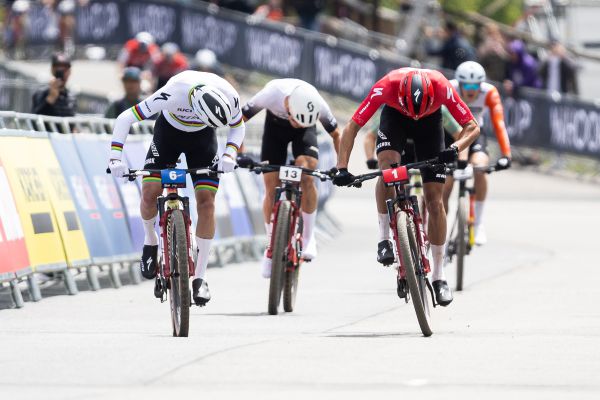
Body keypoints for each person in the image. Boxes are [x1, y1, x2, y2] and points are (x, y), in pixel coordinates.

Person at [332, 68, 481, 306]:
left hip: (430, 125)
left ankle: (439, 276)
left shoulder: (442, 86)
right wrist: (342, 167)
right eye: (412, 110)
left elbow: (472, 127)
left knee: (435, 201)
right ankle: (384, 239)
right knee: (387, 170)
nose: (415, 116)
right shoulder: (386, 85)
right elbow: (352, 126)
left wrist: (455, 149)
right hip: (395, 120)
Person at [107, 70, 245, 307]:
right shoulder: (173, 92)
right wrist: (115, 158)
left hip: (203, 140)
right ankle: (151, 239)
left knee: (207, 203)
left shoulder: (229, 96)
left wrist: (230, 154)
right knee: (150, 193)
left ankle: (201, 277)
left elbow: (238, 127)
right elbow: (125, 118)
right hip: (168, 136)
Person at [241, 79, 340, 278]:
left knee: (307, 175)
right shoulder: (271, 93)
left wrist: (341, 167)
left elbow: (337, 135)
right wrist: (239, 153)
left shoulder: (318, 103)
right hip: (274, 131)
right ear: (287, 106)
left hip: (304, 135)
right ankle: (271, 245)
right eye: (295, 119)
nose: (296, 124)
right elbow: (239, 119)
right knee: (271, 186)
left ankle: (309, 237)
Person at [445, 61, 512, 245]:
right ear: (459, 83)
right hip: (450, 135)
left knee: (481, 168)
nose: (471, 90)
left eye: (475, 86)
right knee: (445, 183)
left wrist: (506, 155)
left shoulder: (489, 92)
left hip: (475, 135)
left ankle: (478, 222)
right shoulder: (449, 88)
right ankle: (438, 225)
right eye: (467, 86)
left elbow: (499, 124)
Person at [364, 106, 462, 170]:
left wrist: (462, 159)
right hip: (403, 148)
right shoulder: (393, 108)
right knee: (397, 181)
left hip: (427, 147)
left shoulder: (440, 110)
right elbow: (370, 136)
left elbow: (459, 134)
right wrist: (370, 159)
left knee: (435, 188)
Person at [31, 52, 76, 117]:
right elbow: (34, 118)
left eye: (65, 68)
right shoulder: (41, 93)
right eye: (58, 68)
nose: (62, 72)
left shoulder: (71, 96)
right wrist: (51, 98)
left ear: (69, 71)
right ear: (52, 70)